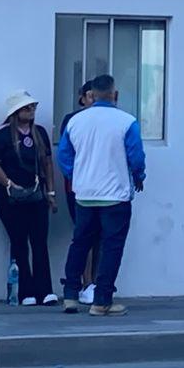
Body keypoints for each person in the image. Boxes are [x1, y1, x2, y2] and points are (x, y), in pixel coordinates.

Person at [58, 74, 146, 316]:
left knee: (80, 243)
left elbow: (64, 156)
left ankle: (71, 295)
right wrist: (139, 176)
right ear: (115, 94)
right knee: (111, 247)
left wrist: (77, 176)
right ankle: (102, 300)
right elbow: (136, 157)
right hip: (115, 195)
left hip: (85, 194)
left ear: (92, 95)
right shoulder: (127, 122)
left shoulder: (76, 122)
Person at [0, 91, 59, 306]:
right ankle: (25, 291)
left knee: (39, 241)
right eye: (26, 108)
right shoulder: (1, 134)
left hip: (36, 193)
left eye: (32, 107)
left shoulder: (39, 132)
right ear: (16, 112)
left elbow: (47, 162)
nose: (31, 111)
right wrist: (9, 183)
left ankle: (45, 290)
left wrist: (50, 192)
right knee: (19, 241)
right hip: (10, 196)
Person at [59, 81, 100, 304]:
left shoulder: (110, 119)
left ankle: (95, 282)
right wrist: (76, 176)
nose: (93, 100)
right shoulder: (72, 120)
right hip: (79, 186)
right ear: (82, 98)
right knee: (84, 232)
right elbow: (65, 154)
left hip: (103, 186)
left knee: (102, 235)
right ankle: (84, 282)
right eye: (89, 96)